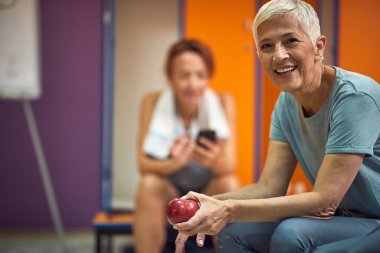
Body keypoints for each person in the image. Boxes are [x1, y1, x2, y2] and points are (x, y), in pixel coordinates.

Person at [174, 0, 380, 252]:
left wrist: (229, 209)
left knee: (291, 234)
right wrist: (206, 203)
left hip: (373, 222)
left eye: (291, 41)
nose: (279, 55)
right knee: (236, 232)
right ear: (259, 55)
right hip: (343, 218)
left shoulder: (355, 96)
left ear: (318, 46)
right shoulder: (286, 103)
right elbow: (269, 187)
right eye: (267, 46)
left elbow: (325, 201)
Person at [133, 39, 240, 253]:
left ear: (208, 77)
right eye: (184, 76)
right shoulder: (152, 102)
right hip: (169, 189)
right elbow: (143, 165)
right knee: (148, 185)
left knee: (230, 183)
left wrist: (211, 161)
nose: (193, 84)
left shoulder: (223, 102)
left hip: (209, 190)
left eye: (200, 75)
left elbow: (229, 165)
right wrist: (175, 162)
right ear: (171, 78)